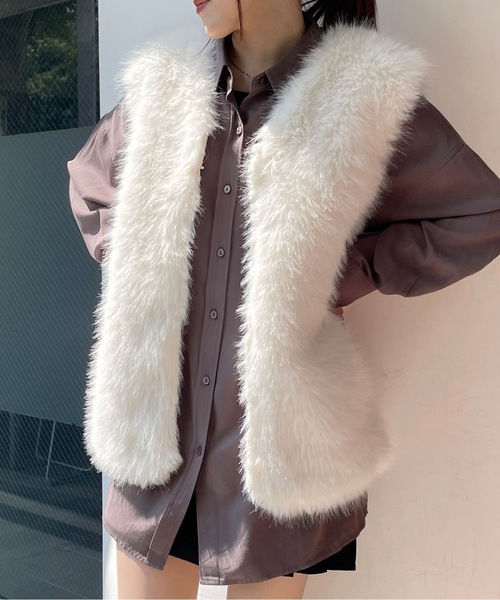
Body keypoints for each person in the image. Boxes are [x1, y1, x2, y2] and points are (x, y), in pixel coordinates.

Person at [67, 0, 500, 598]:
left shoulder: (363, 95)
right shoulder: (165, 89)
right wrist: (143, 255)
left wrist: (337, 270)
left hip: (281, 457)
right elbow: (89, 183)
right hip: (156, 440)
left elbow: (478, 214)